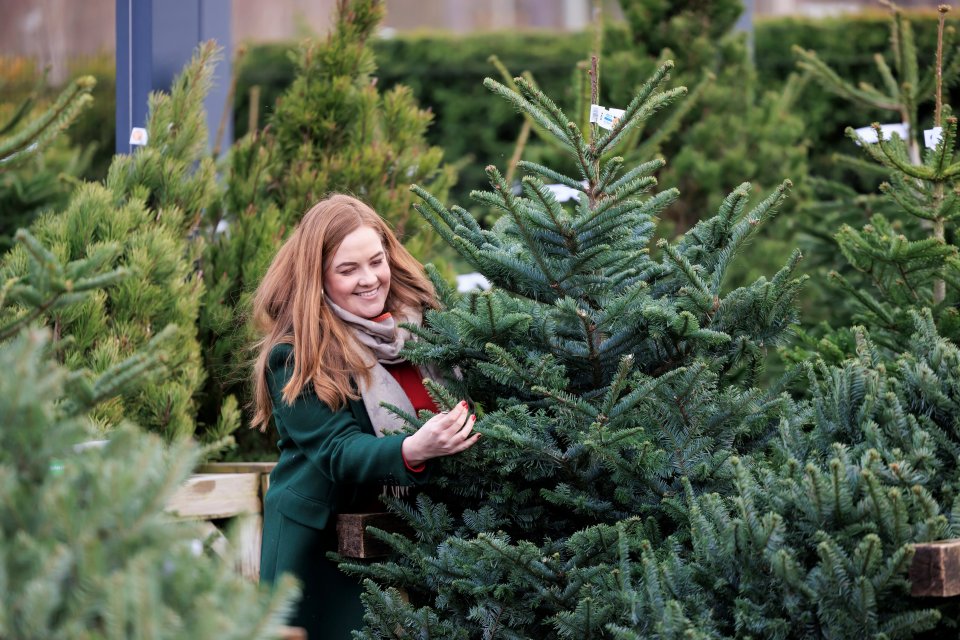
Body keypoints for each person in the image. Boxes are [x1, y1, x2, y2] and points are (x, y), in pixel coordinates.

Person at [250, 194, 480, 638]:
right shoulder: (296, 355)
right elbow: (338, 451)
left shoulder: (424, 332)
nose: (368, 279)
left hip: (419, 539)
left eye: (376, 261)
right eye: (347, 269)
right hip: (325, 552)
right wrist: (413, 449)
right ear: (316, 278)